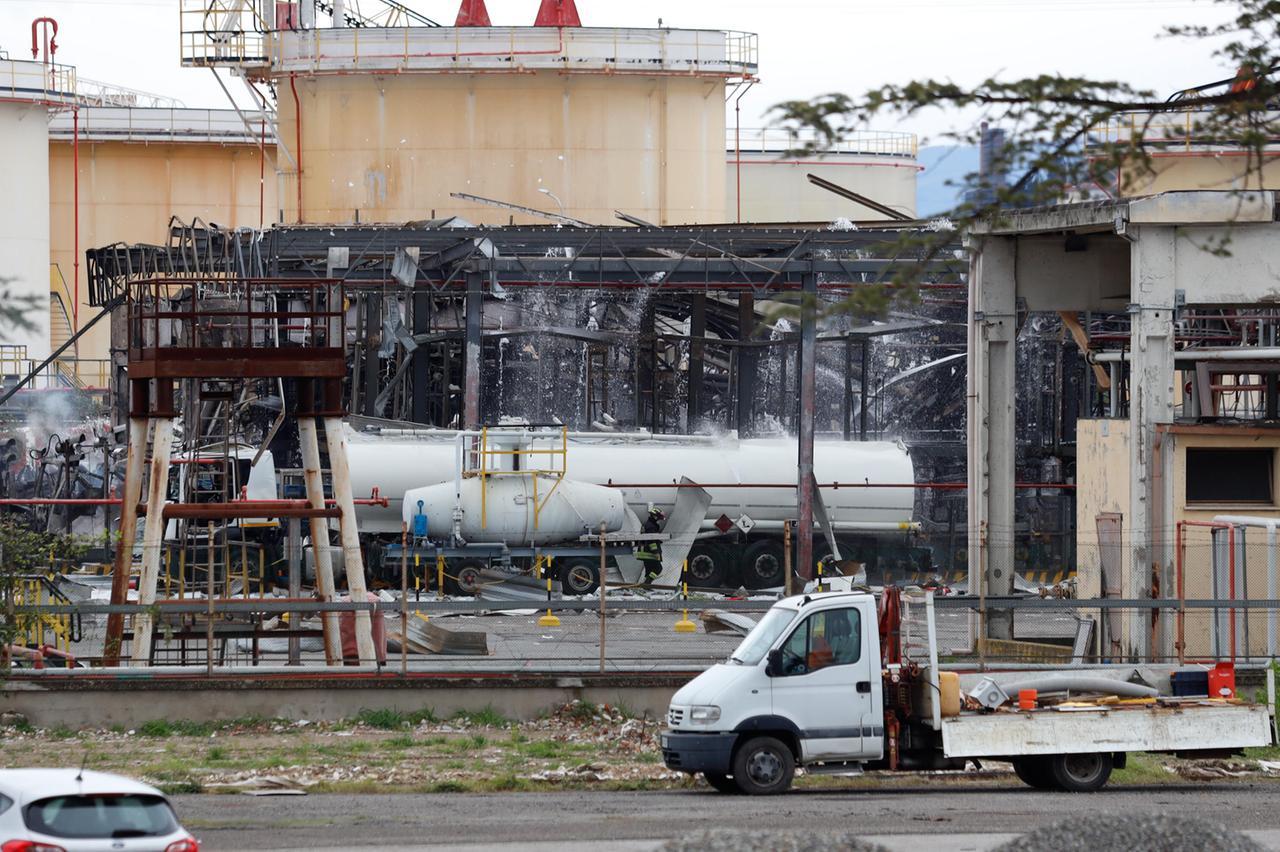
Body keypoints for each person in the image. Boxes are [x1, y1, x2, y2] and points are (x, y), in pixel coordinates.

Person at [636, 505, 665, 585]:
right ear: (655, 517)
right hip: (649, 552)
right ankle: (647, 583)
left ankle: (646, 586)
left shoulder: (648, 525)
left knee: (649, 570)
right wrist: (656, 551)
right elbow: (651, 541)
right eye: (659, 519)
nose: (659, 521)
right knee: (658, 569)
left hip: (644, 552)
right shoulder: (651, 526)